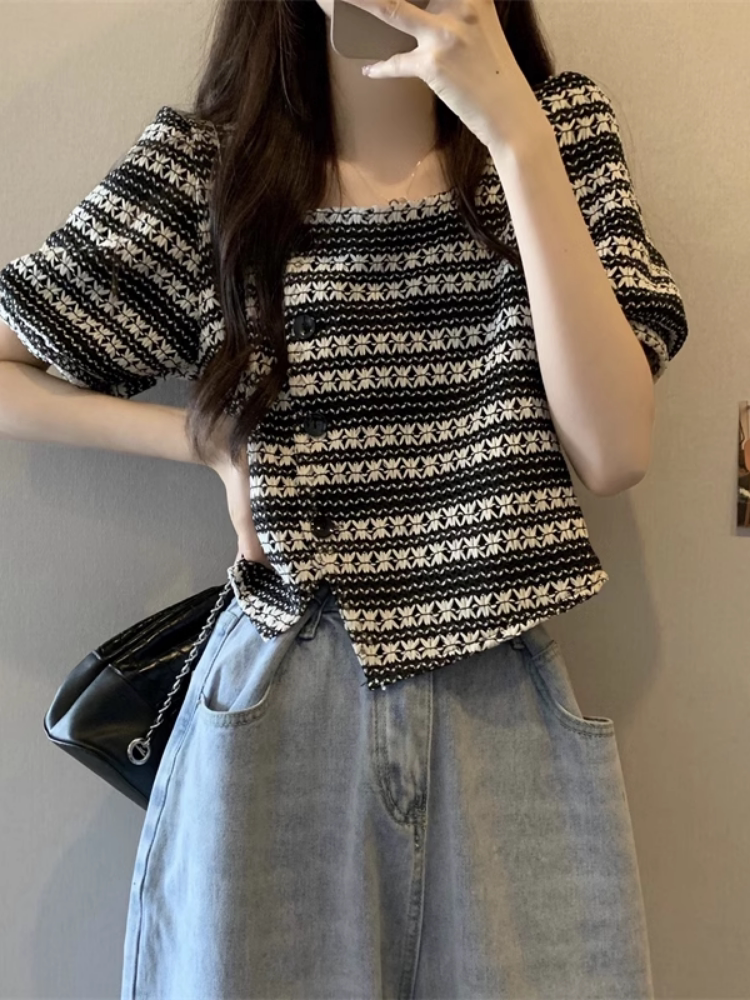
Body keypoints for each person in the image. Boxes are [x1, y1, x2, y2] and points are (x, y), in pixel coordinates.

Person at [0, 0, 689, 997]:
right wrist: (205, 443)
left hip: (502, 697)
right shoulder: (212, 173)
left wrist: (514, 132)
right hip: (284, 687)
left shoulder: (556, 136)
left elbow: (615, 450)